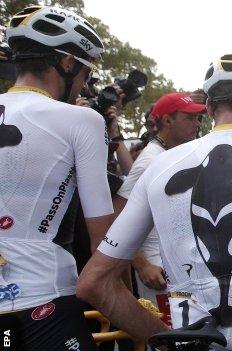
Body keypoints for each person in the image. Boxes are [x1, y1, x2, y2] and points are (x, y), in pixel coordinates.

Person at [77, 54, 232, 351]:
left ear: (208, 107)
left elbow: (93, 282)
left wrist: (162, 338)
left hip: (193, 338)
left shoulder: (159, 165)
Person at [0, 6, 113, 350]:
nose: (84, 84)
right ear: (66, 63)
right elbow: (104, 240)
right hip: (42, 300)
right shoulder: (83, 120)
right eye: (84, 72)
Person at [113, 92, 205, 321]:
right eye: (189, 118)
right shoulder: (150, 160)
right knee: (170, 339)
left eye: (197, 118)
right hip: (158, 272)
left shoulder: (171, 154)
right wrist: (142, 265)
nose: (197, 124)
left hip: (180, 269)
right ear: (167, 121)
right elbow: (116, 215)